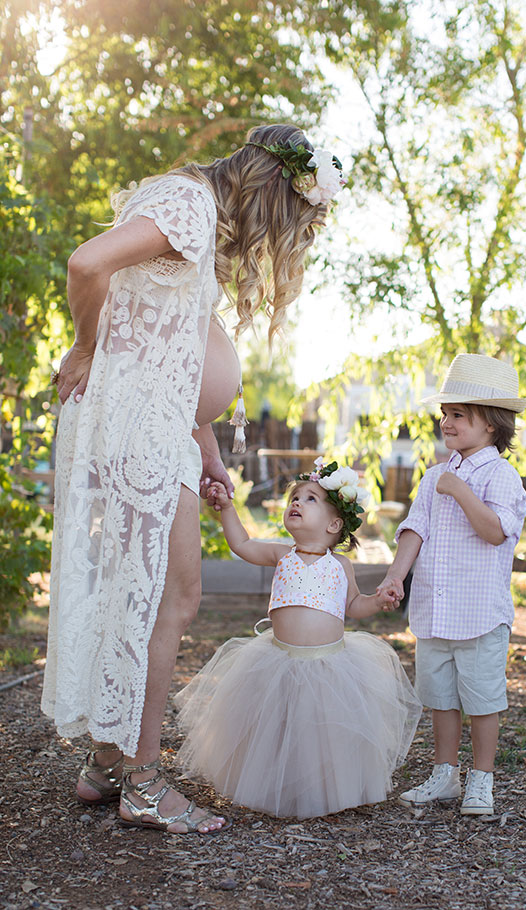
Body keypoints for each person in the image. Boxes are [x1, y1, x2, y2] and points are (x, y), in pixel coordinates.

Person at [41, 124, 345, 834]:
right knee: (170, 598)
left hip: (165, 429)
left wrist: (206, 449)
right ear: (271, 191)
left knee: (144, 595)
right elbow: (87, 265)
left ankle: (108, 763)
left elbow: (175, 347)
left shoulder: (192, 212)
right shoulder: (188, 202)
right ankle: (142, 782)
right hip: (139, 427)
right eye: (290, 222)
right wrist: (85, 349)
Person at [174, 459, 422, 819]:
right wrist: (227, 508)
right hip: (278, 659)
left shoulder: (341, 566)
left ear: (334, 524)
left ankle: (321, 789)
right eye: (295, 497)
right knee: (276, 728)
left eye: (310, 499)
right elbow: (242, 544)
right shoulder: (280, 555)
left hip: (329, 664)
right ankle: (275, 786)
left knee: (321, 732)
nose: (297, 502)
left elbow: (354, 605)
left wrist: (378, 601)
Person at [377, 354, 526, 816]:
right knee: (441, 698)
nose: (446, 421)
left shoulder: (502, 476)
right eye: (444, 413)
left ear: (491, 424)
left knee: (482, 700)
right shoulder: (433, 476)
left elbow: (496, 531)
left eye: (457, 414)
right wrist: (394, 576)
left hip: (478, 613)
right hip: (434, 609)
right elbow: (414, 530)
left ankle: (481, 779)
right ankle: (445, 773)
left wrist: (461, 492)